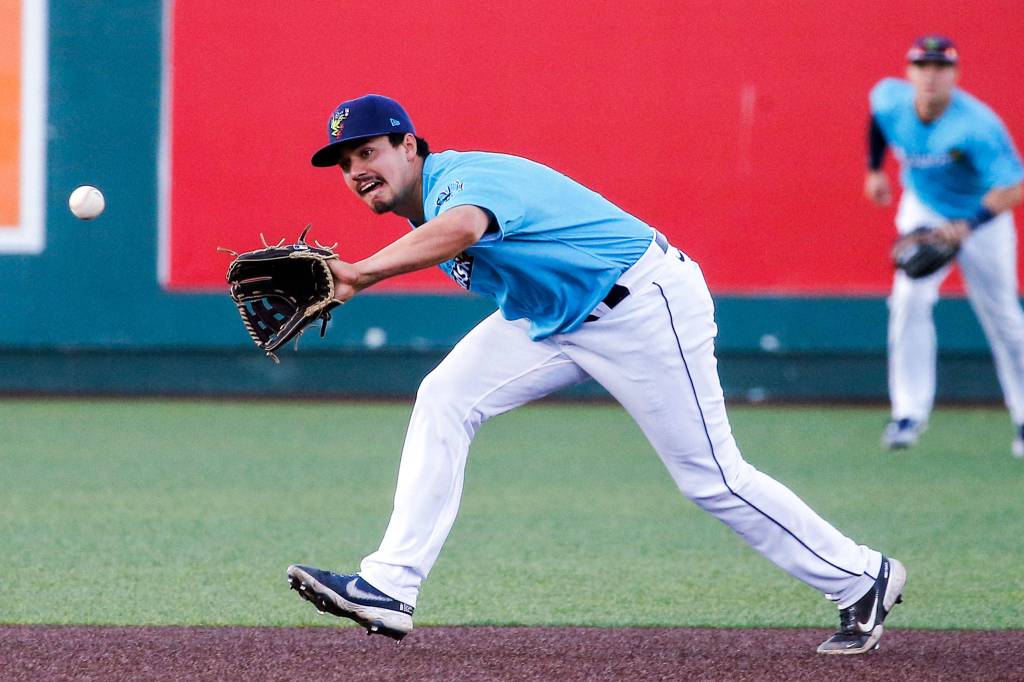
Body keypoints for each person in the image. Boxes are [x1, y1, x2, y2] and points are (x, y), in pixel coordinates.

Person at [286, 93, 906, 655]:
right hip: (553, 319)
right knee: (445, 396)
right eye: (344, 164)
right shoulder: (419, 213)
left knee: (711, 478)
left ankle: (861, 575)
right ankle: (388, 588)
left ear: (410, 146)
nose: (356, 170)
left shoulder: (461, 178)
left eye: (367, 151)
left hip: (643, 304)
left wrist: (359, 272)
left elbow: (465, 228)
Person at [866, 35, 1024, 455]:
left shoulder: (977, 125)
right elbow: (878, 121)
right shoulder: (890, 99)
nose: (931, 75)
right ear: (910, 72)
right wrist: (873, 170)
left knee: (1004, 318)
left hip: (982, 215)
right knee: (908, 300)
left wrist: (969, 225)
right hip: (925, 208)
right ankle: (908, 413)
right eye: (923, 66)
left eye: (941, 67)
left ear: (954, 74)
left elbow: (1014, 187)